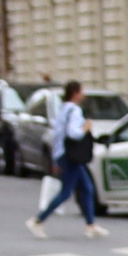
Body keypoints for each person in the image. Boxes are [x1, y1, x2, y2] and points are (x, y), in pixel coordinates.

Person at [26, 81, 104, 238]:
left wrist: (56, 159)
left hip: (64, 156)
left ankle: (91, 225)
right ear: (75, 93)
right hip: (71, 158)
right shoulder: (74, 111)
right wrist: (85, 128)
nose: (83, 95)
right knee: (66, 192)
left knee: (87, 188)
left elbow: (57, 136)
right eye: (81, 92)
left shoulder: (63, 110)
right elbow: (73, 134)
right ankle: (37, 221)